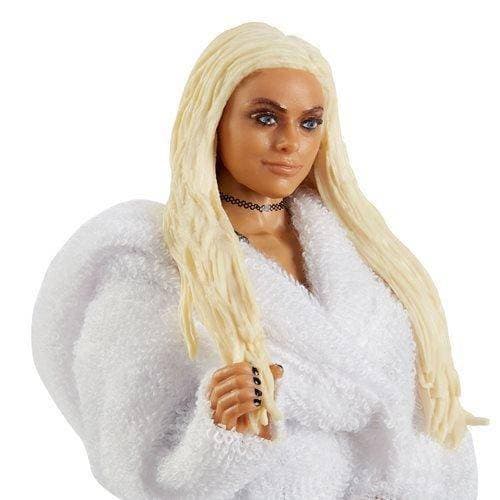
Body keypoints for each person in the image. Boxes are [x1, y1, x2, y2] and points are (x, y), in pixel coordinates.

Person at [31, 21, 490, 499]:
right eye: (266, 118)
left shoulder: (365, 250)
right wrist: (224, 436)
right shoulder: (152, 264)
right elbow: (132, 465)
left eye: (309, 122)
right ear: (214, 120)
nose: (291, 142)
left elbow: (427, 422)